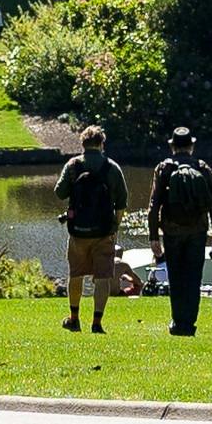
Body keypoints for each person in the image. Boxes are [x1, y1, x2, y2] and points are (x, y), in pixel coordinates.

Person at [52, 125, 130, 336]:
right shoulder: (112, 168)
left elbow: (59, 193)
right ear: (102, 144)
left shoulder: (73, 165)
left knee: (76, 274)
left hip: (78, 231)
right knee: (102, 277)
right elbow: (121, 203)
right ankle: (96, 323)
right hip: (104, 232)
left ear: (83, 144)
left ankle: (74, 319)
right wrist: (115, 226)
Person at [148, 130, 212, 339]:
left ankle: (177, 321)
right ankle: (189, 323)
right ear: (191, 146)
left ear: (172, 146)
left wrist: (153, 236)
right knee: (193, 277)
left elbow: (154, 205)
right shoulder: (202, 167)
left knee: (176, 277)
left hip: (172, 231)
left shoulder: (164, 168)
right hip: (197, 231)